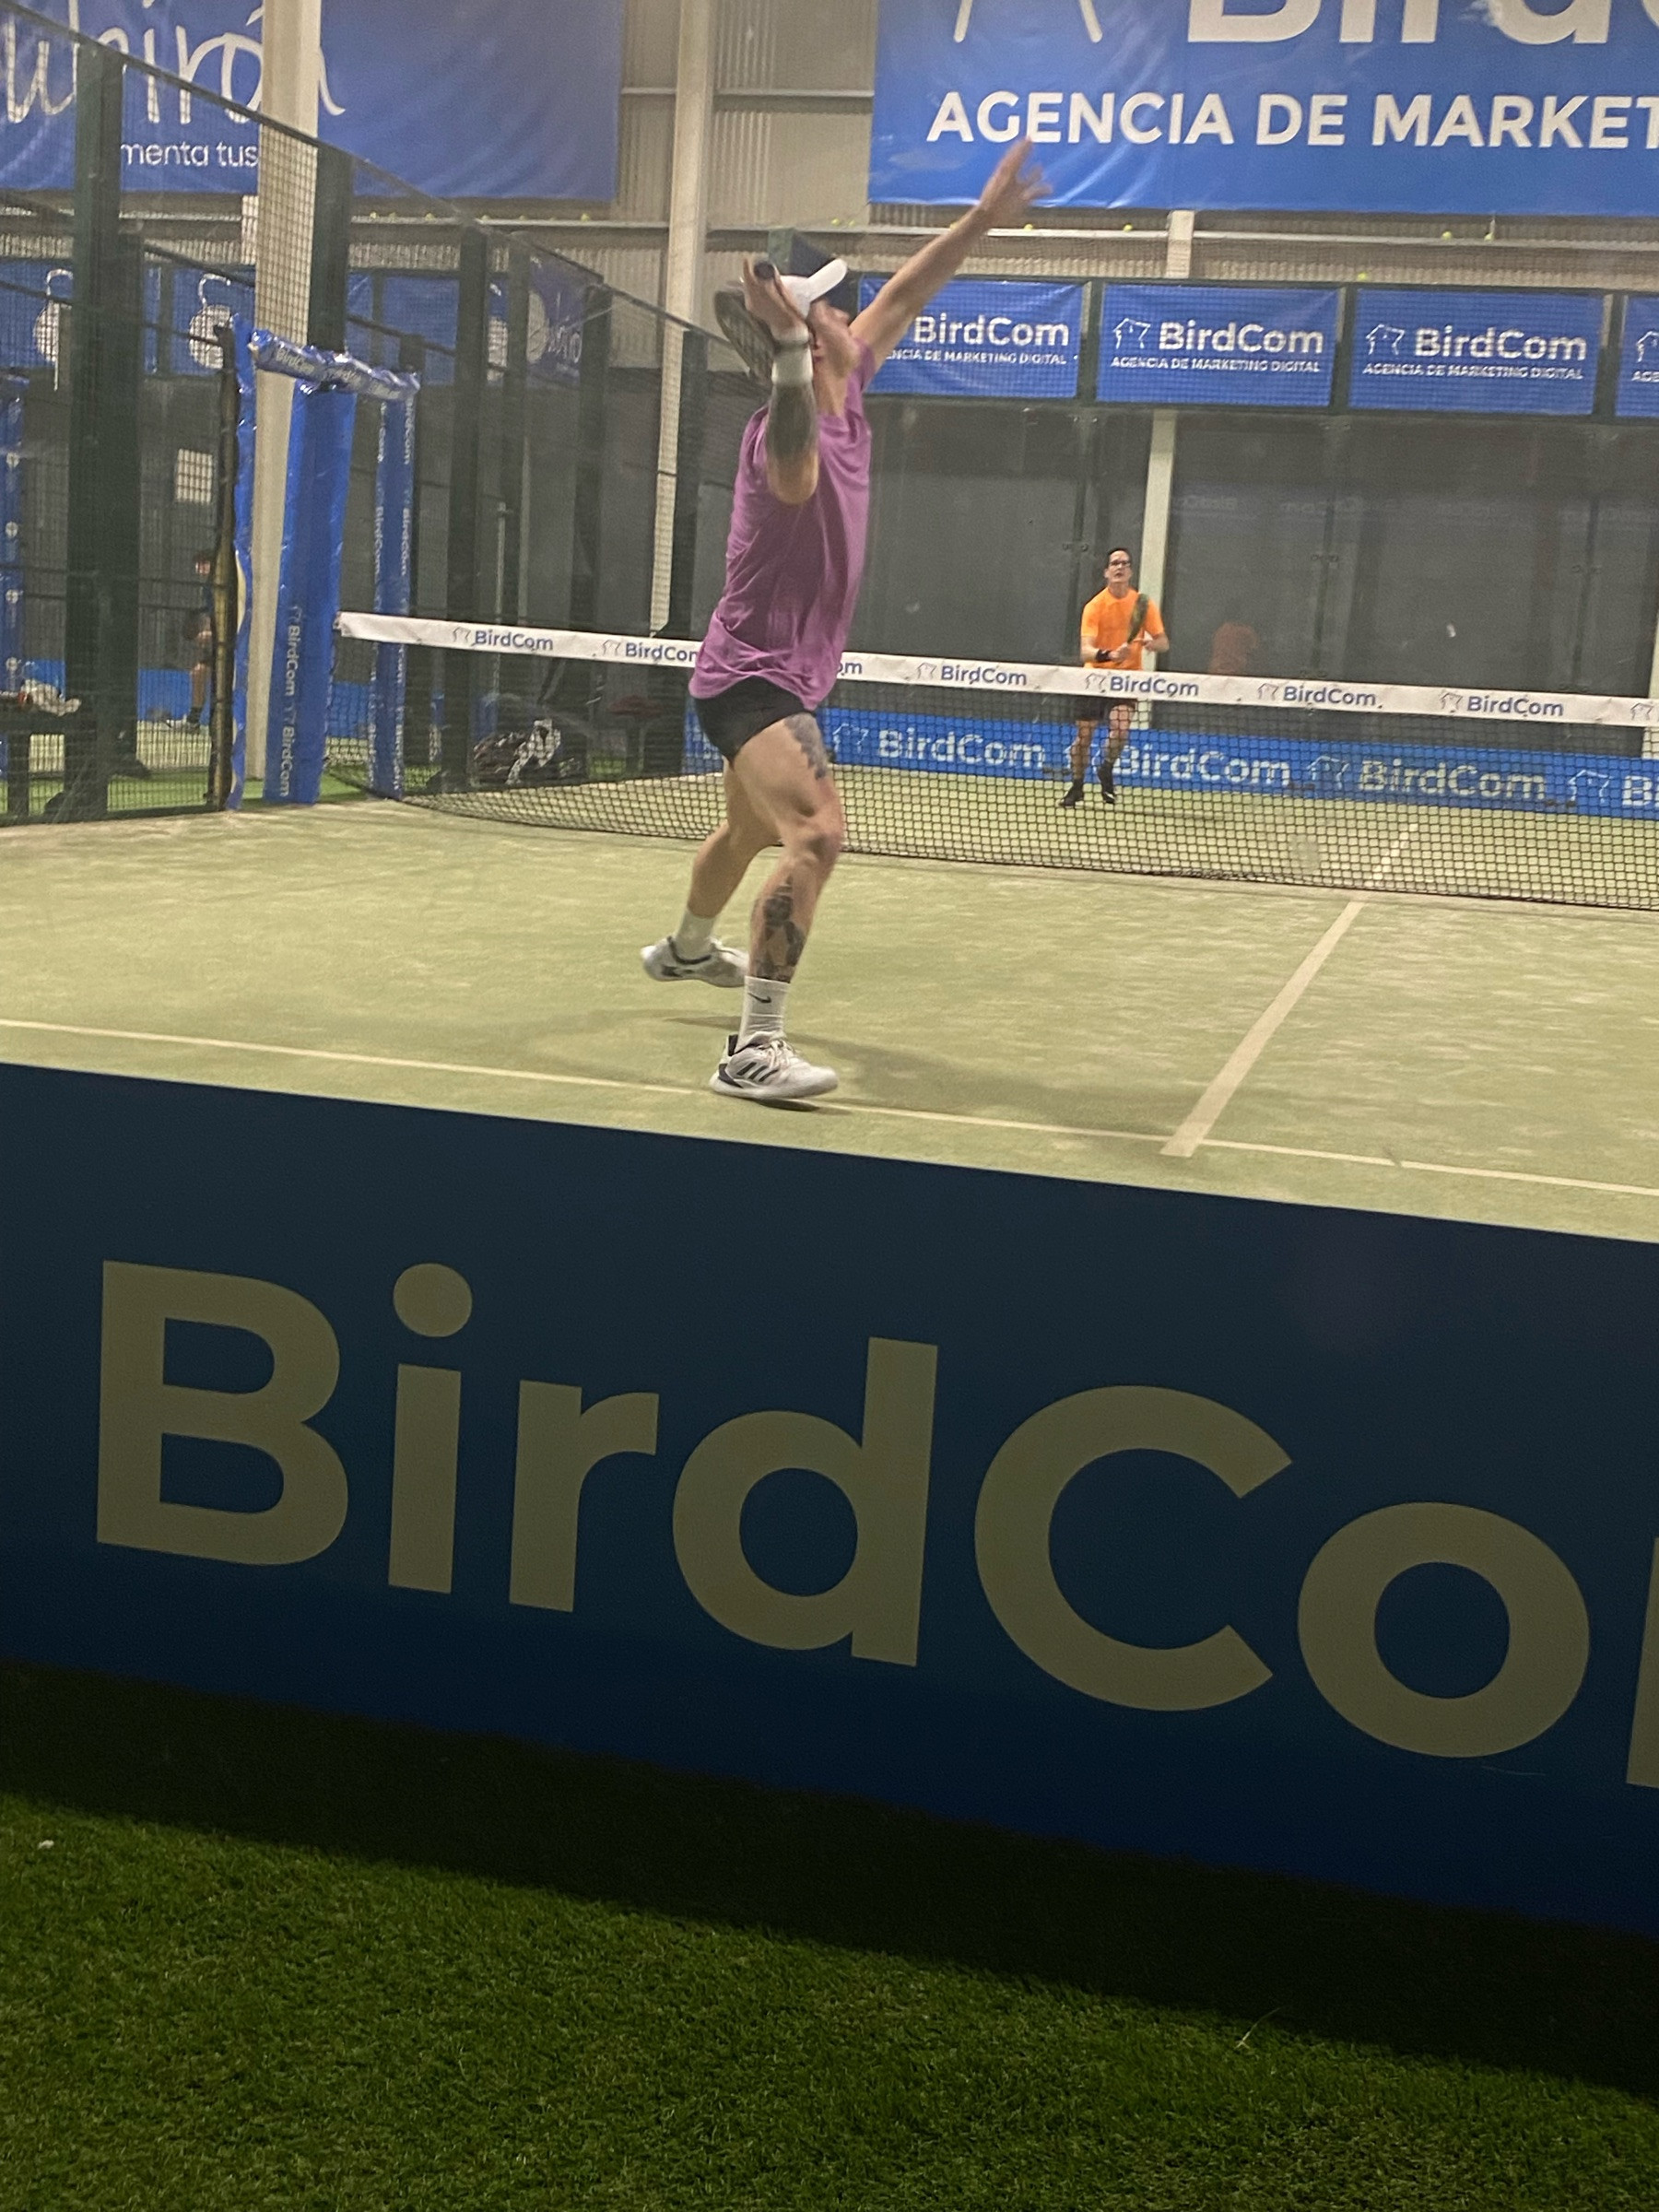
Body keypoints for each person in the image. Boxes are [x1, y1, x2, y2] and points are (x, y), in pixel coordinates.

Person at [641, 142, 1048, 1104]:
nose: (847, 314)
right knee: (817, 835)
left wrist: (980, 219)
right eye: (829, 309)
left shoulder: (850, 376)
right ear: (806, 337)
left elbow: (907, 291)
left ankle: (687, 949)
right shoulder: (781, 433)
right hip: (754, 678)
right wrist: (786, 353)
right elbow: (797, 477)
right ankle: (753, 1050)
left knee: (746, 831)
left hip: (778, 671)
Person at [1061, 547, 1170, 808]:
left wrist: (1149, 643)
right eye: (1115, 563)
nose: (1120, 567)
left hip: (1127, 679)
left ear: (1130, 571)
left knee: (1120, 730)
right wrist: (1110, 654)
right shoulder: (1094, 606)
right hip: (1094, 679)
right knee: (1083, 739)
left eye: (1125, 563)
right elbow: (1085, 651)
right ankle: (1077, 785)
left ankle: (1106, 767)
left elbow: (1163, 642)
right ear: (1107, 572)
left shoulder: (1143, 604)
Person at [183, 547, 215, 729]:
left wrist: (212, 634)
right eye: (197, 564)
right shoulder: (207, 589)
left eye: (203, 563)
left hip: (235, 645)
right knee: (198, 673)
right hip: (218, 646)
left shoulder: (220, 586)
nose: (199, 568)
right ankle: (193, 721)